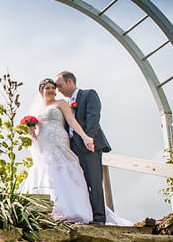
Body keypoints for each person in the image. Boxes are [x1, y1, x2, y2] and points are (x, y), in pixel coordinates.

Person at [22, 77, 130, 225]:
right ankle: (48, 211)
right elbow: (36, 134)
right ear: (41, 91)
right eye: (48, 88)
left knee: (64, 172)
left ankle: (73, 211)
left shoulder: (61, 103)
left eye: (54, 88)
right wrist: (30, 130)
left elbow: (72, 121)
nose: (52, 90)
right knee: (47, 173)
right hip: (44, 144)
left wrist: (86, 137)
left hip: (59, 141)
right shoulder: (38, 110)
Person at [55, 70, 111, 224]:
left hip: (89, 145)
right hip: (72, 148)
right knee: (80, 182)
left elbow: (93, 117)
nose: (58, 90)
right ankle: (86, 214)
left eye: (60, 86)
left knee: (94, 180)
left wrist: (89, 139)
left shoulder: (88, 95)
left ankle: (99, 217)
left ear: (70, 82)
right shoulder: (64, 104)